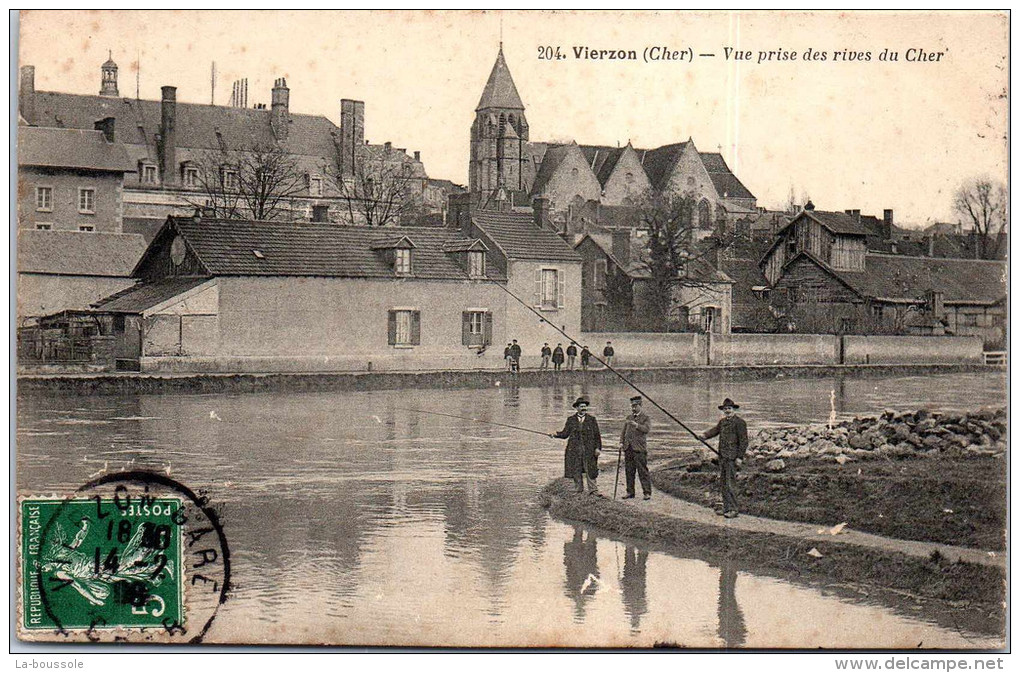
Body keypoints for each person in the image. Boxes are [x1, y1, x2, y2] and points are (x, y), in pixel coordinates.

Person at [700, 398, 749, 518]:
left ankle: (734, 509)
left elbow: (744, 442)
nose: (727, 410)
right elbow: (714, 431)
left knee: (731, 483)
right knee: (723, 483)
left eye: (729, 408)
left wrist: (740, 457)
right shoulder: (722, 422)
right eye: (725, 409)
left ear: (734, 409)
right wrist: (704, 435)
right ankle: (726, 508)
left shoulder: (740, 423)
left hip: (732, 457)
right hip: (722, 457)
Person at [551, 395, 603, 495]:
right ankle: (578, 489)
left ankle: (593, 490)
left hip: (589, 449)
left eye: (585, 406)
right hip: (574, 449)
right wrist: (555, 434)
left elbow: (597, 436)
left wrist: (598, 448)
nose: (583, 408)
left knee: (590, 468)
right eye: (581, 406)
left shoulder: (592, 419)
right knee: (576, 469)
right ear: (576, 408)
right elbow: (565, 434)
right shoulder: (571, 420)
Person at [620, 395, 652, 500]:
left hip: (639, 449)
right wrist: (621, 442)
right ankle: (630, 492)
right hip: (628, 448)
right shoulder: (628, 417)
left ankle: (647, 492)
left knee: (642, 471)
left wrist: (636, 425)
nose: (633, 408)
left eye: (635, 406)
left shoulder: (646, 417)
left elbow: (646, 429)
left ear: (640, 405)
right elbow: (623, 431)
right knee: (629, 471)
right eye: (632, 406)